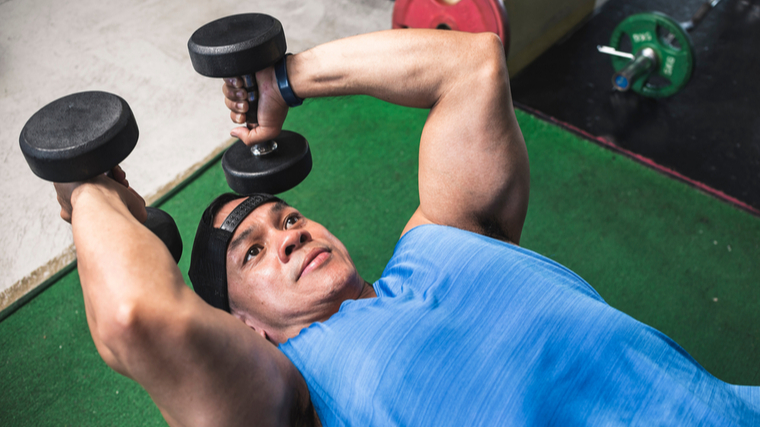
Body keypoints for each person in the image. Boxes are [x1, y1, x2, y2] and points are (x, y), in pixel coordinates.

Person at [53, 29, 759, 427]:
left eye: (287, 215)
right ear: (245, 324)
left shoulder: (443, 241)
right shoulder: (289, 394)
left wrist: (284, 82)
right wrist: (89, 189)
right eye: (254, 251)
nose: (289, 233)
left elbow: (471, 67)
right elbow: (132, 314)